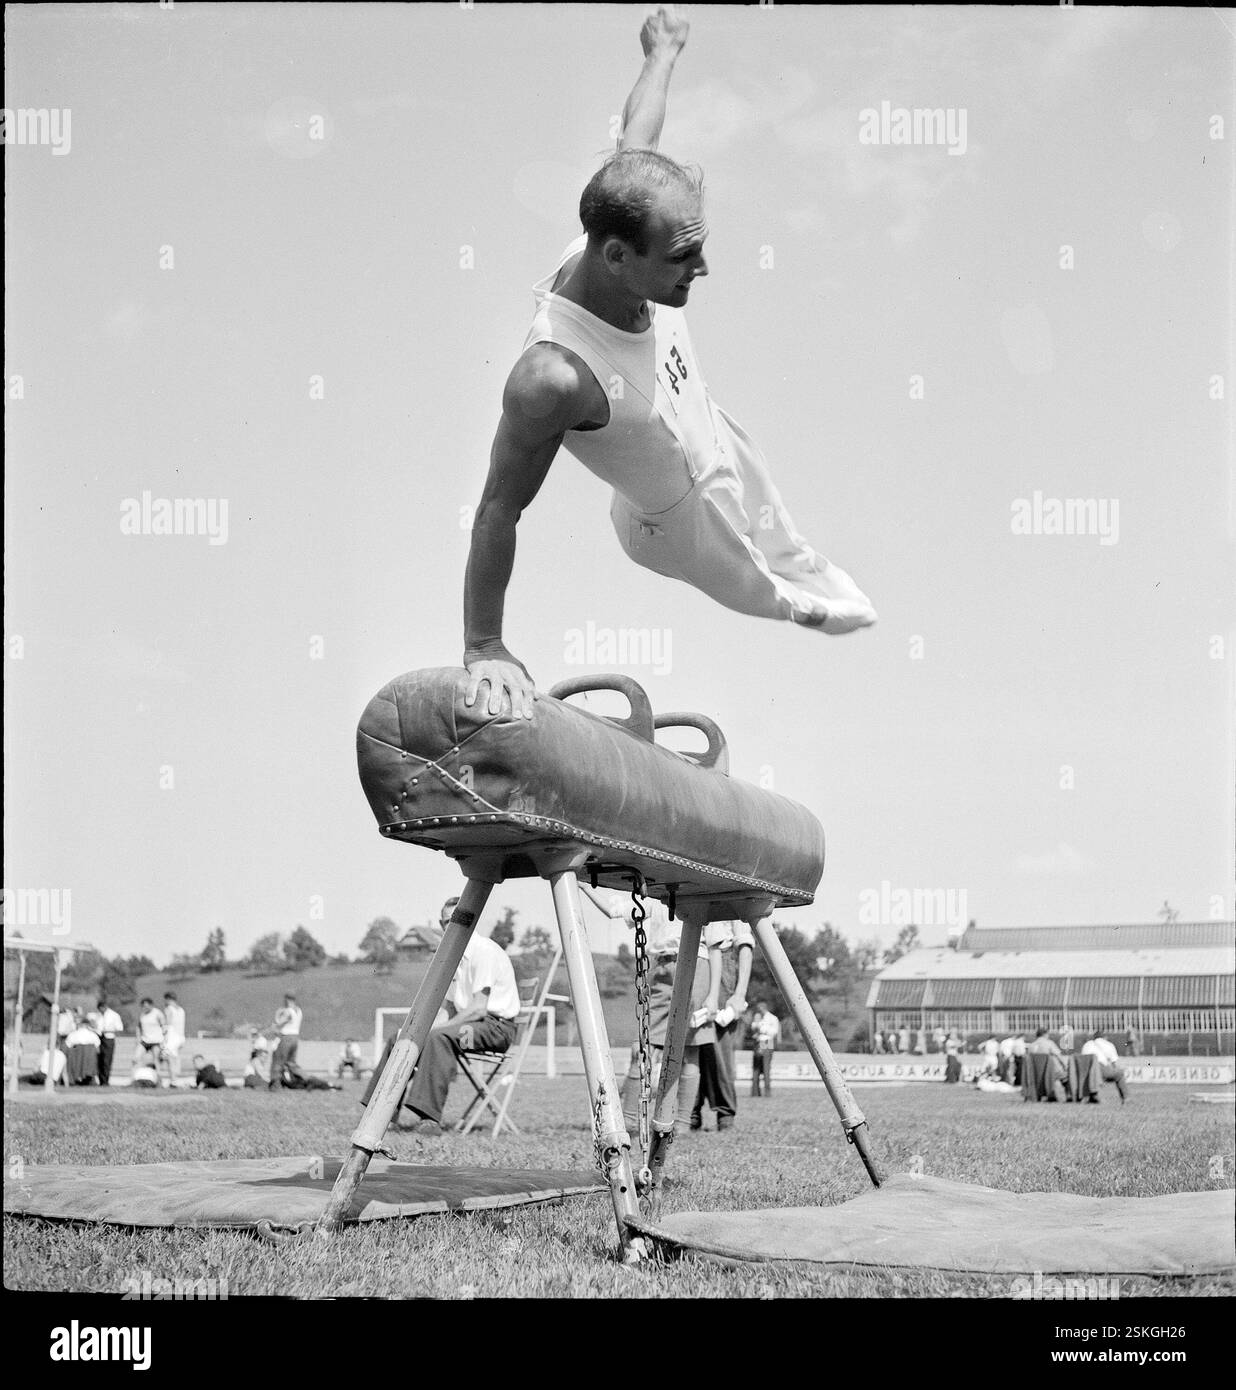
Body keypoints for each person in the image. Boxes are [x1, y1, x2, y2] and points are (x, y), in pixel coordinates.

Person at [460, 6, 877, 726]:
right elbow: (499, 507)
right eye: (683, 257)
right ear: (618, 257)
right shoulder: (556, 377)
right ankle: (814, 608)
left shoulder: (626, 210)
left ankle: (809, 577)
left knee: (797, 547)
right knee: (791, 597)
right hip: (678, 522)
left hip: (712, 437)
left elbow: (638, 134)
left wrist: (662, 54)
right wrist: (485, 644)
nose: (704, 268)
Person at [581, 883, 722, 1138]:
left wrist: (712, 995)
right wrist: (580, 884)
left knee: (690, 1050)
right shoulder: (655, 898)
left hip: (696, 966)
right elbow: (614, 911)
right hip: (662, 969)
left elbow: (715, 947)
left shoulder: (701, 891)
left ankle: (682, 1123)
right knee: (643, 1048)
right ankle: (628, 1121)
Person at [395, 898, 522, 1135]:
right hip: (470, 1025)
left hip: (496, 1029)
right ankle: (381, 1112)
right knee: (402, 1037)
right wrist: (416, 1032)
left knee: (439, 1038)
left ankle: (428, 1119)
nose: (451, 926)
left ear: (471, 920)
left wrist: (433, 1033)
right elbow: (450, 1010)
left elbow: (478, 1008)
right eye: (446, 922)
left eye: (458, 919)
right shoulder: (453, 956)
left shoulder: (482, 951)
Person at [690, 919, 754, 1132]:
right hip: (692, 957)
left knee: (719, 1047)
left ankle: (725, 1114)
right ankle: (690, 1111)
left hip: (722, 958)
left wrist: (739, 993)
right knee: (690, 1044)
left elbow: (745, 943)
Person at [268, 993, 303, 1091]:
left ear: (287, 1000)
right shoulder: (299, 1011)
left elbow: (279, 1023)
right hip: (295, 1038)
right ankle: (299, 1080)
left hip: (286, 1037)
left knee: (278, 1061)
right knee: (291, 1063)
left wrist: (277, 1014)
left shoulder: (288, 1011)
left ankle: (276, 1085)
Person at [1082, 1031, 1128, 1104]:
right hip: (1100, 1068)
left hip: (1086, 1072)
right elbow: (1115, 1064)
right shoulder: (1108, 1045)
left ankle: (1092, 1096)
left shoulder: (1087, 1045)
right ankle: (1125, 1098)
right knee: (1119, 1074)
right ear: (1104, 1037)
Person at [749, 1001, 780, 1097]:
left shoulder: (772, 1018)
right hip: (758, 1042)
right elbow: (753, 1026)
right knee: (756, 1068)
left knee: (766, 1067)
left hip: (767, 1042)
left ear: (764, 1008)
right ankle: (755, 1092)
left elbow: (774, 1032)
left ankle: (767, 1092)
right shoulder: (757, 1017)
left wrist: (762, 1029)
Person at [64, 1014, 101, 1085]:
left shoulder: (73, 1035)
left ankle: (74, 1078)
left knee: (71, 1053)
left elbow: (67, 1047)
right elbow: (98, 1050)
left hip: (76, 1060)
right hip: (89, 1061)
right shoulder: (93, 1035)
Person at [136, 997, 166, 1080]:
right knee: (135, 1059)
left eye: (146, 1006)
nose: (145, 1008)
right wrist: (138, 1038)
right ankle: (134, 1079)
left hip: (156, 1041)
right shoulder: (142, 1014)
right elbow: (138, 1027)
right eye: (143, 1006)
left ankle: (159, 1080)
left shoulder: (158, 1013)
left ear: (151, 1005)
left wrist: (164, 1042)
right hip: (145, 1040)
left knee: (156, 1060)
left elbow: (164, 1027)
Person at [96, 999, 124, 1087]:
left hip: (109, 1038)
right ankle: (100, 1080)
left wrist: (107, 1030)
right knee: (99, 1060)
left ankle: (105, 1081)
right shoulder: (98, 1015)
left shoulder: (114, 1015)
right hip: (99, 1038)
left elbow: (119, 1027)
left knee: (107, 1060)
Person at [161, 991, 186, 1086]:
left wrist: (164, 1036)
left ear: (168, 999)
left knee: (170, 1059)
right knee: (176, 1058)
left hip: (172, 1036)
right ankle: (175, 1078)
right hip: (181, 1036)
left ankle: (173, 1080)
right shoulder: (181, 1010)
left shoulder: (169, 1009)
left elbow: (167, 1023)